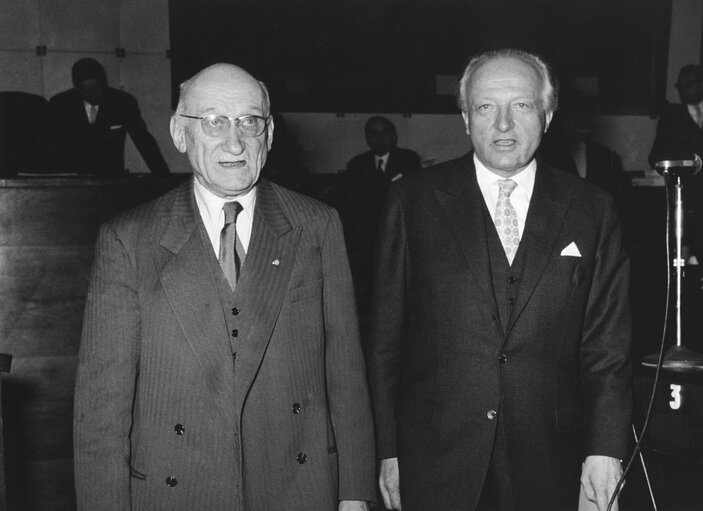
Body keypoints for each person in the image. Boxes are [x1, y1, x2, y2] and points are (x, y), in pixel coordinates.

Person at [73, 63, 375, 510]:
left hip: (297, 488)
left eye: (250, 121)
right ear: (180, 133)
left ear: (269, 133)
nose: (235, 142)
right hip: (177, 490)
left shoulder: (317, 224)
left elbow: (345, 371)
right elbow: (101, 411)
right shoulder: (128, 239)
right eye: (214, 121)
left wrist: (354, 494)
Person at [367, 49, 632, 511]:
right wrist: (387, 450)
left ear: (548, 116)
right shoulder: (413, 203)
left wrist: (605, 449)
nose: (504, 124)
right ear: (466, 118)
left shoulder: (593, 209)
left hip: (552, 460)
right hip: (435, 459)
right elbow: (386, 340)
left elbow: (607, 349)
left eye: (522, 106)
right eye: (486, 107)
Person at [337, 117, 422, 315]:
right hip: (367, 235)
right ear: (367, 138)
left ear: (394, 137)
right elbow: (352, 204)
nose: (379, 138)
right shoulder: (357, 165)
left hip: (399, 230)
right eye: (374, 134)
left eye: (384, 133)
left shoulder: (408, 160)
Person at [49, 57, 170, 175]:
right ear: (77, 88)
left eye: (97, 89)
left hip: (111, 178)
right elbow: (53, 146)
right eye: (86, 92)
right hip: (73, 179)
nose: (93, 96)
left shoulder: (123, 102)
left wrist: (164, 177)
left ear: (104, 83)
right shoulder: (60, 104)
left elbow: (144, 141)